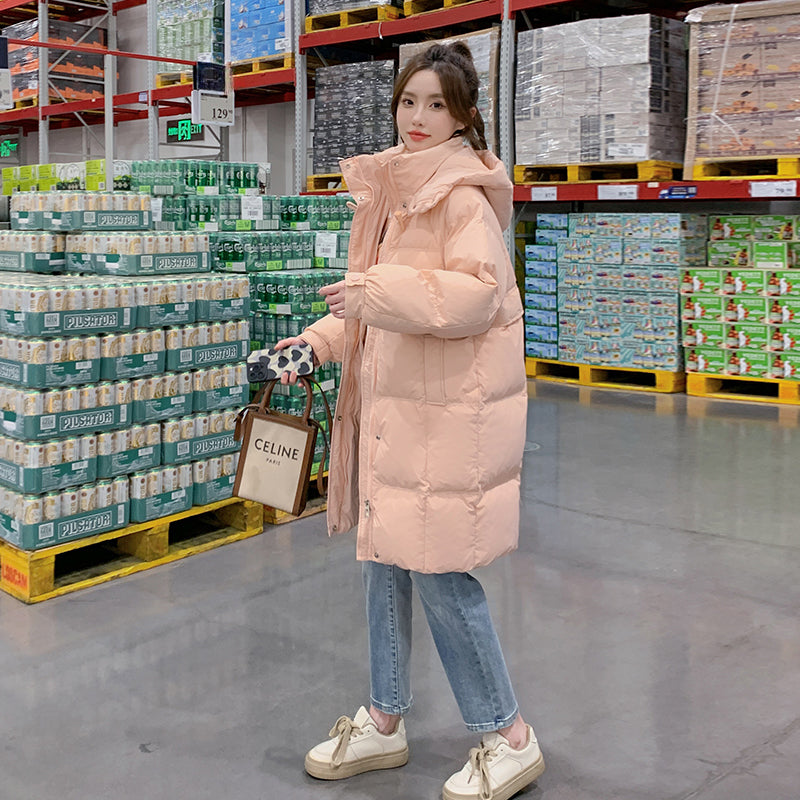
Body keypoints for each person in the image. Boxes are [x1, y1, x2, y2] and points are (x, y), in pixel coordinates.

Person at [273, 41, 543, 800]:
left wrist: (372, 295)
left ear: (463, 116)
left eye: (436, 104)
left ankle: (509, 735)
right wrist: (316, 342)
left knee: (440, 576)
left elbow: (473, 297)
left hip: (442, 418)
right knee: (384, 564)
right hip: (400, 413)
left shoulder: (458, 197)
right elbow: (371, 308)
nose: (418, 117)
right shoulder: (395, 194)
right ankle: (385, 719)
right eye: (408, 101)